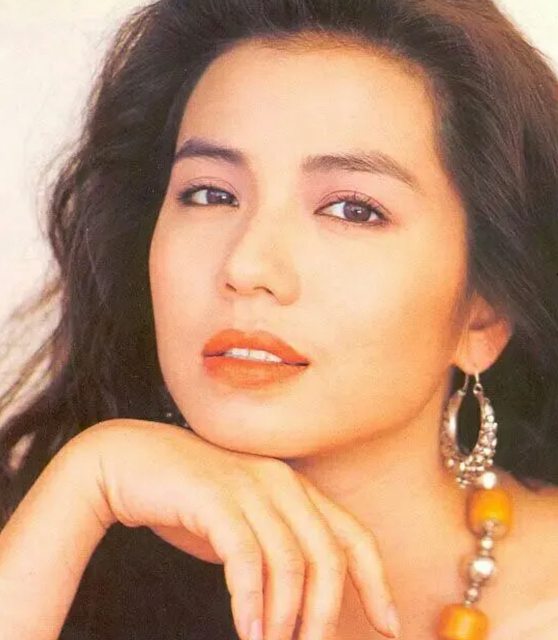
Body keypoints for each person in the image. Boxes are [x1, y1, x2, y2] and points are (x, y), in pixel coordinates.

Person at [0, 0, 557, 638]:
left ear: (483, 314)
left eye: (352, 209)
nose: (246, 265)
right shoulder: (54, 540)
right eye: (211, 194)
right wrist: (87, 484)